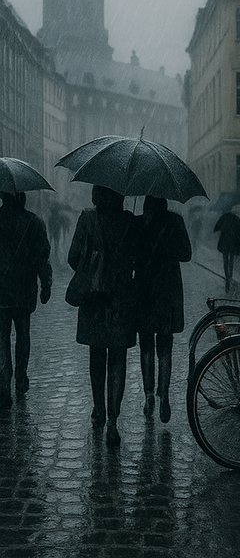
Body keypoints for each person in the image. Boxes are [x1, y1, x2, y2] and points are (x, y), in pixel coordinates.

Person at [68, 185, 136, 446]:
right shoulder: (129, 221)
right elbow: (137, 260)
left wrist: (93, 264)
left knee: (97, 355)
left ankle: (98, 408)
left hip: (94, 298)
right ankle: (113, 422)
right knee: (118, 357)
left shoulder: (87, 218)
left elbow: (73, 257)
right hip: (121, 299)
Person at [134, 195, 192, 423]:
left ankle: (149, 394)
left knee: (146, 344)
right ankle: (164, 396)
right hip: (167, 289)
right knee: (165, 345)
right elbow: (186, 255)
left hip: (144, 289)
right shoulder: (175, 222)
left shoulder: (139, 223)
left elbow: (130, 256)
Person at [0, 192, 52, 407]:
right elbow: (42, 257)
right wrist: (46, 283)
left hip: (1, 291)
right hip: (24, 290)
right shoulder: (34, 223)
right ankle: (21, 378)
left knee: (2, 338)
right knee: (23, 336)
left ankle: (3, 383)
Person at [214, 208, 240, 291]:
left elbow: (216, 227)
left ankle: (227, 275)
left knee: (225, 259)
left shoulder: (224, 218)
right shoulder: (236, 219)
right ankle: (230, 275)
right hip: (233, 243)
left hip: (225, 243)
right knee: (231, 259)